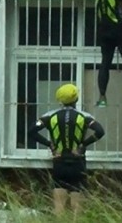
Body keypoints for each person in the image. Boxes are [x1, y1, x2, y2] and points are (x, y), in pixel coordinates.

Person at [28, 83, 104, 216]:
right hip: (78, 162)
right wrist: (83, 145)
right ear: (76, 99)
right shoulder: (84, 116)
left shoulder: (50, 116)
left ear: (60, 100)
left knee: (59, 206)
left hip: (59, 161)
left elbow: (32, 131)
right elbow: (100, 131)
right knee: (77, 206)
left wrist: (49, 144)